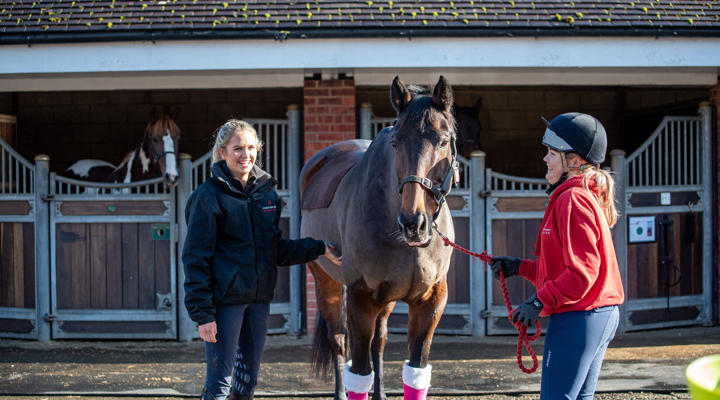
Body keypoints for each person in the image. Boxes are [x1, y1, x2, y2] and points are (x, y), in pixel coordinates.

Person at [182, 119, 342, 400]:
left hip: (258, 302)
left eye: (251, 148)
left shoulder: (266, 193)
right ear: (222, 152)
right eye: (238, 148)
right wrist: (203, 314)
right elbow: (196, 258)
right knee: (220, 383)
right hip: (224, 304)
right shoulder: (207, 197)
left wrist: (318, 248)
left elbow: (275, 249)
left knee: (247, 384)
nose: (246, 155)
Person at [489, 112, 625, 400]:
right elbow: (564, 266)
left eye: (551, 153)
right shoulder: (577, 195)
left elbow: (582, 274)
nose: (545, 159)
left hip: (580, 316)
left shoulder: (572, 199)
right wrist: (519, 267)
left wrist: (538, 301)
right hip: (596, 314)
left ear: (573, 161)